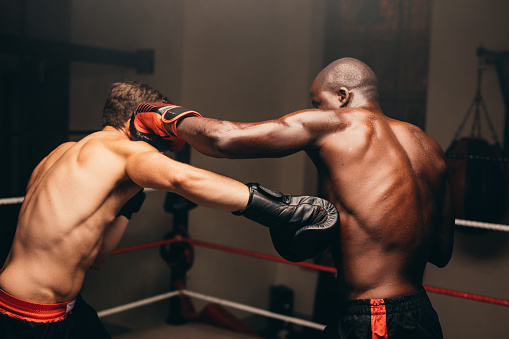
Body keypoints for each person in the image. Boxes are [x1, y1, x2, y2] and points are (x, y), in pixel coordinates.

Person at [132, 57, 455, 338]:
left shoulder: (336, 124)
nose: (316, 110)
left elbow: (223, 140)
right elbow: (441, 252)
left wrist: (165, 116)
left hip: (375, 318)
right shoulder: (429, 146)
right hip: (421, 314)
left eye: (318, 103)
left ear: (343, 96)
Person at [0, 81, 338, 339]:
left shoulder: (61, 153)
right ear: (143, 122)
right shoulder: (124, 153)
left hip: (36, 304)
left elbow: (97, 257)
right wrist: (281, 210)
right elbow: (183, 178)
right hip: (32, 317)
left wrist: (127, 203)